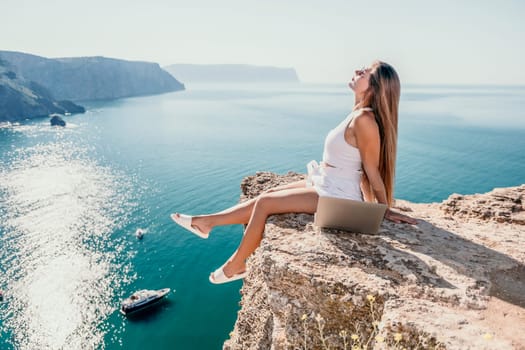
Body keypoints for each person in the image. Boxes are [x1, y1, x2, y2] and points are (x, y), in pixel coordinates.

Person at [172, 60, 417, 284]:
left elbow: (371, 171)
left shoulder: (365, 120)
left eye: (365, 72)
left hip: (338, 194)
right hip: (329, 182)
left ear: (374, 87)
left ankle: (237, 264)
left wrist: (383, 209)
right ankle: (206, 222)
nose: (357, 71)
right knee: (266, 195)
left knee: (266, 203)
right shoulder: (357, 113)